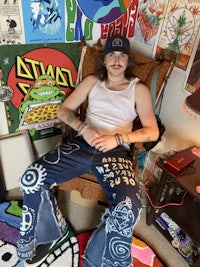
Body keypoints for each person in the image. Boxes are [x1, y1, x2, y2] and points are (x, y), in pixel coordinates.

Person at [17, 35, 159, 267]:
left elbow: (152, 131)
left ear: (127, 61)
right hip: (82, 145)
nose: (116, 59)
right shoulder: (92, 82)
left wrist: (118, 138)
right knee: (31, 179)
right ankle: (53, 231)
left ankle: (97, 257)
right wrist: (84, 127)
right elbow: (63, 111)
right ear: (104, 60)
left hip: (116, 153)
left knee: (130, 209)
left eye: (122, 55)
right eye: (111, 54)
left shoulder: (138, 89)